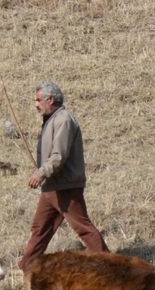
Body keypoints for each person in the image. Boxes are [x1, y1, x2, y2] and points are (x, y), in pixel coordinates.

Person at [18, 81, 109, 271]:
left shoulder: (64, 120)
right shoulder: (53, 119)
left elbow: (58, 156)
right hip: (53, 187)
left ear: (50, 100)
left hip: (65, 186)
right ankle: (27, 267)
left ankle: (112, 268)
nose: (35, 104)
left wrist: (41, 173)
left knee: (83, 228)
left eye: (38, 100)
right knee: (40, 229)